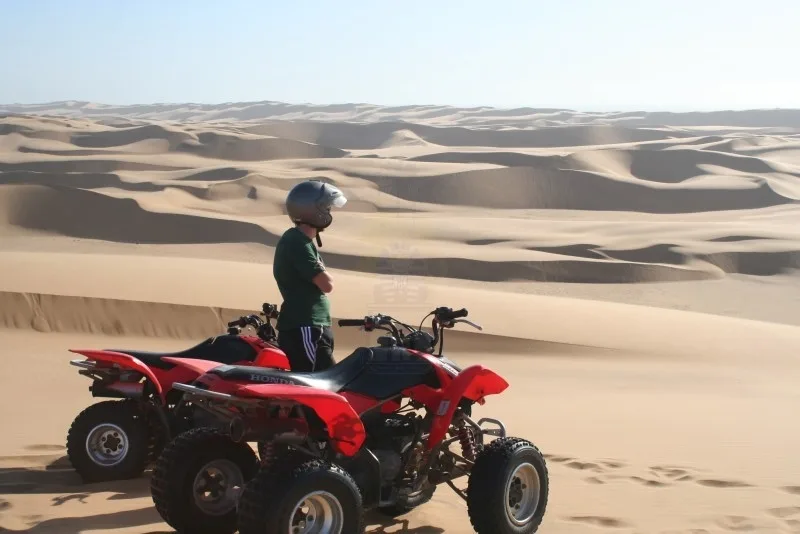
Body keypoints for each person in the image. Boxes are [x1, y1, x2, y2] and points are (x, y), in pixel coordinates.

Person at [272, 179, 347, 372]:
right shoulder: (297, 242)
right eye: (327, 208)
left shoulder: (301, 241)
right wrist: (326, 276)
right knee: (319, 384)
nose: (329, 212)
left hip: (310, 326)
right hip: (305, 326)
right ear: (314, 210)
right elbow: (326, 284)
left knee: (327, 382)